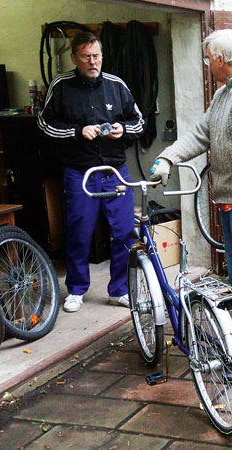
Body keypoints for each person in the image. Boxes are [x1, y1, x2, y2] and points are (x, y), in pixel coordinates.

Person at [149, 29, 232, 379]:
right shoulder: (226, 92)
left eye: (209, 58)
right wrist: (167, 159)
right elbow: (200, 134)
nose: (207, 64)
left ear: (221, 59)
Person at [38, 32, 144, 313]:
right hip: (79, 172)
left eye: (96, 55)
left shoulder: (116, 84)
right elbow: (44, 124)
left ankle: (120, 289)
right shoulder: (61, 86)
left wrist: (123, 129)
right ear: (74, 58)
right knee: (79, 232)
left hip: (114, 171)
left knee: (124, 232)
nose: (92, 61)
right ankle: (75, 290)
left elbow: (139, 122)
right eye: (86, 57)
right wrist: (76, 131)